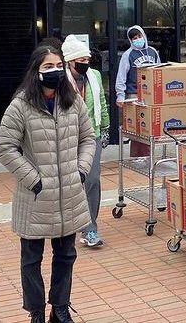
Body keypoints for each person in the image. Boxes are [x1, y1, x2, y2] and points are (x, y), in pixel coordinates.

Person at [0, 45, 95, 323]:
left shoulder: (72, 101)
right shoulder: (21, 105)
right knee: (31, 259)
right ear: (35, 71)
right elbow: (4, 148)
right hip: (36, 197)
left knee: (66, 256)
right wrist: (33, 179)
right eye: (47, 67)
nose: (55, 71)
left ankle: (60, 308)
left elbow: (88, 138)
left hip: (69, 195)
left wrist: (82, 170)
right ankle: (36, 311)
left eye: (58, 65)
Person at [61, 35, 109, 248]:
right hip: (68, 136)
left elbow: (101, 102)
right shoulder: (60, 79)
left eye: (87, 60)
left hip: (93, 135)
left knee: (92, 180)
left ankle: (90, 228)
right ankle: (69, 224)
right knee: (72, 182)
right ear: (70, 62)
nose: (85, 64)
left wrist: (106, 128)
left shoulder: (95, 76)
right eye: (80, 60)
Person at [115, 25, 160, 156]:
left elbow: (159, 70)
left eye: (139, 36)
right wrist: (120, 95)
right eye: (134, 38)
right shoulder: (127, 55)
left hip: (150, 95)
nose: (138, 39)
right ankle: (135, 157)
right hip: (133, 94)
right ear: (130, 40)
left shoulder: (153, 52)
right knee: (136, 129)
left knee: (148, 128)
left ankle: (147, 156)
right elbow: (121, 76)